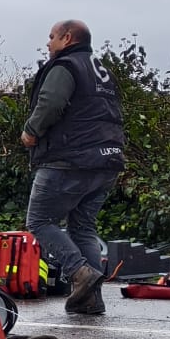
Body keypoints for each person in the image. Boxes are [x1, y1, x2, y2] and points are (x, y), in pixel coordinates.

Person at [19, 19, 124, 314]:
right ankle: (91, 300)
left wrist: (31, 131)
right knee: (83, 227)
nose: (48, 42)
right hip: (107, 160)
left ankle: (80, 273)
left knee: (39, 221)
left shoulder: (66, 66)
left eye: (51, 37)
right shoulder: (99, 70)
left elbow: (51, 102)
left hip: (69, 159)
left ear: (67, 38)